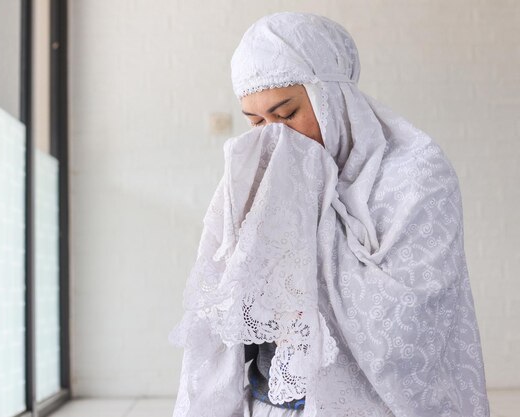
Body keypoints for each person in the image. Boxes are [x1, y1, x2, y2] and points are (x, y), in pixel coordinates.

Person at [169, 11, 490, 417]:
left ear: (333, 100)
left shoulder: (416, 173)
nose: (274, 136)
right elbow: (226, 315)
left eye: (286, 114)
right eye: (256, 121)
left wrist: (306, 216)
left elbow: (410, 324)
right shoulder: (256, 172)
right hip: (271, 402)